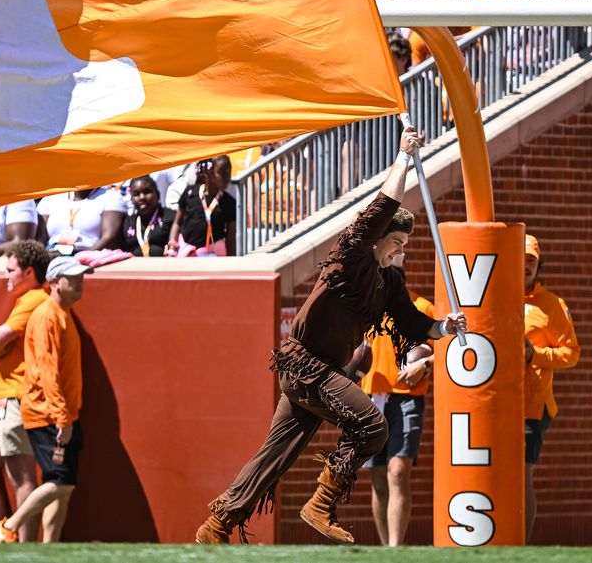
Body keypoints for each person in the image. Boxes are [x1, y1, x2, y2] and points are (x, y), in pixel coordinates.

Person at [195, 128, 466, 545]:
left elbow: (414, 324)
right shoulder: (351, 255)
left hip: (316, 372)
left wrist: (447, 327)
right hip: (307, 366)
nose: (399, 251)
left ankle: (217, 526)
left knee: (275, 456)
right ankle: (321, 503)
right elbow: (382, 206)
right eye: (395, 242)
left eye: (404, 245)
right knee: (373, 427)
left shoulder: (388, 280)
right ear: (377, 238)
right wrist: (403, 157)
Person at [0, 256, 91, 544]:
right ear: (55, 281)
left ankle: (49, 549)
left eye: (83, 276)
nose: (81, 282)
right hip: (48, 414)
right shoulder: (47, 315)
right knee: (60, 481)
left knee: (65, 486)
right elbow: (48, 372)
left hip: (63, 413)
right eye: (75, 277)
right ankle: (8, 526)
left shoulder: (62, 313)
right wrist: (62, 417)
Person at [0, 239, 52, 539]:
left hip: (19, 399)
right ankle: (3, 539)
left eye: (10, 270)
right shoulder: (25, 300)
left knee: (22, 476)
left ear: (29, 272)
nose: (6, 276)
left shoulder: (34, 298)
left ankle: (24, 548)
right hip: (3, 402)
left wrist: (0, 347)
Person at [354, 277, 433, 546]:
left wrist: (424, 364)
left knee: (397, 471)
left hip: (407, 396)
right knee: (377, 476)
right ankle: (385, 549)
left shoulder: (421, 305)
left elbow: (448, 349)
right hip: (371, 395)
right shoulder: (365, 306)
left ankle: (396, 549)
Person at [521, 233, 580, 541]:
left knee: (522, 474)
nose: (526, 266)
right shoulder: (494, 296)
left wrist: (535, 354)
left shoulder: (553, 305)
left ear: (538, 265)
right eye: (521, 260)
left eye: (531, 261)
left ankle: (522, 543)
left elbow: (571, 354)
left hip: (533, 405)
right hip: (497, 403)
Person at [168, 156, 237, 257]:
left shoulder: (229, 202)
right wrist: (172, 247)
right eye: (222, 172)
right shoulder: (189, 193)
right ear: (207, 172)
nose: (227, 177)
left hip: (215, 256)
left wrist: (232, 261)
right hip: (187, 254)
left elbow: (231, 237)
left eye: (229, 172)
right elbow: (177, 223)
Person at [37, 186, 126, 254]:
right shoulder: (50, 198)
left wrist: (79, 259)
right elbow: (39, 239)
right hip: (51, 254)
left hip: (90, 258)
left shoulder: (111, 197)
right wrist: (43, 258)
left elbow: (109, 239)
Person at [121, 175, 173, 257]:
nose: (142, 197)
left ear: (158, 194)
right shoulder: (128, 222)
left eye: (147, 192)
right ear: (131, 198)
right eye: (136, 194)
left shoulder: (170, 216)